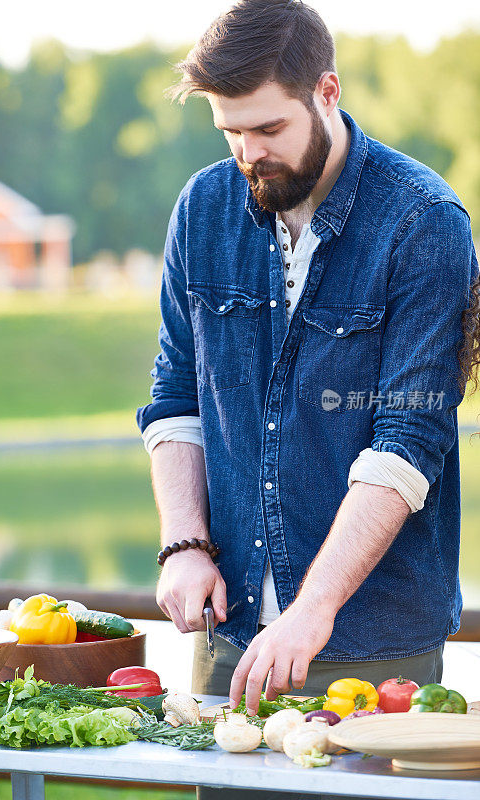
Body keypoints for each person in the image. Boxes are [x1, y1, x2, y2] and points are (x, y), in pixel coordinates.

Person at [137, 1, 479, 796]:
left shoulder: (425, 222)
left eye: (268, 129)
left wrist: (313, 607)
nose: (248, 154)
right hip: (231, 635)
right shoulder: (203, 207)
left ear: (326, 91)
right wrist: (183, 541)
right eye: (230, 132)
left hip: (374, 642)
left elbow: (407, 441)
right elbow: (175, 393)